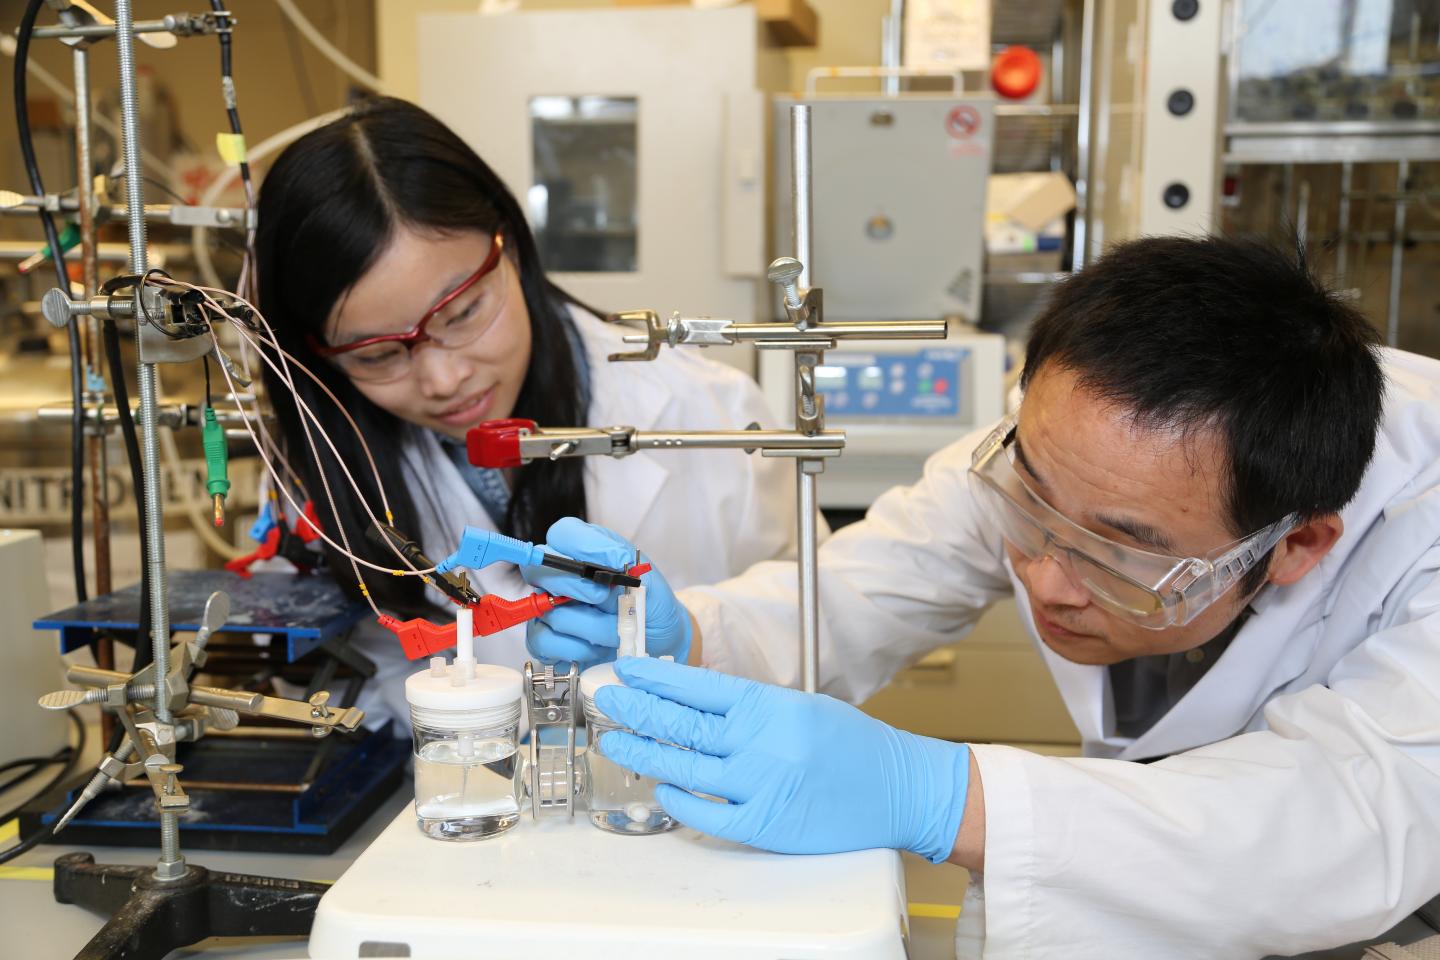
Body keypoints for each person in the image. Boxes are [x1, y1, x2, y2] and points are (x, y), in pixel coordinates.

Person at [521, 235, 1440, 958]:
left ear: (1299, 543)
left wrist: (939, 795)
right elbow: (872, 580)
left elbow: (1354, 816)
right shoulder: (1075, 437)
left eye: (1121, 556)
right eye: (1031, 504)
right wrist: (701, 635)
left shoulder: (1422, 521)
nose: (1043, 578)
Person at [252, 97, 802, 731]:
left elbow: (812, 636)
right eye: (377, 354)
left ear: (508, 243)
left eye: (461, 315)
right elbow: (343, 691)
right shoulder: (325, 472)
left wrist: (696, 646)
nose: (444, 379)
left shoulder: (707, 407)